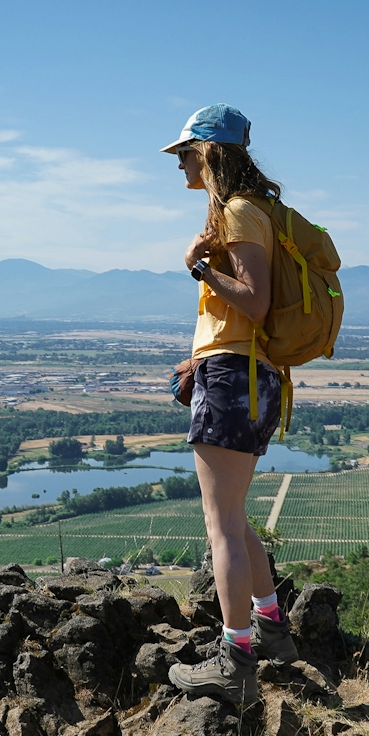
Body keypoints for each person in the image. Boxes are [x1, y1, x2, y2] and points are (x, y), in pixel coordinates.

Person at [159, 104, 300, 705]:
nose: (181, 165)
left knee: (221, 529)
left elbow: (255, 300)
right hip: (247, 375)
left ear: (212, 152)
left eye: (187, 153)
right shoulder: (251, 212)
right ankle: (272, 630)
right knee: (235, 519)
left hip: (234, 380)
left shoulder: (239, 212)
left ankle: (235, 660)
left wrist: (197, 268)